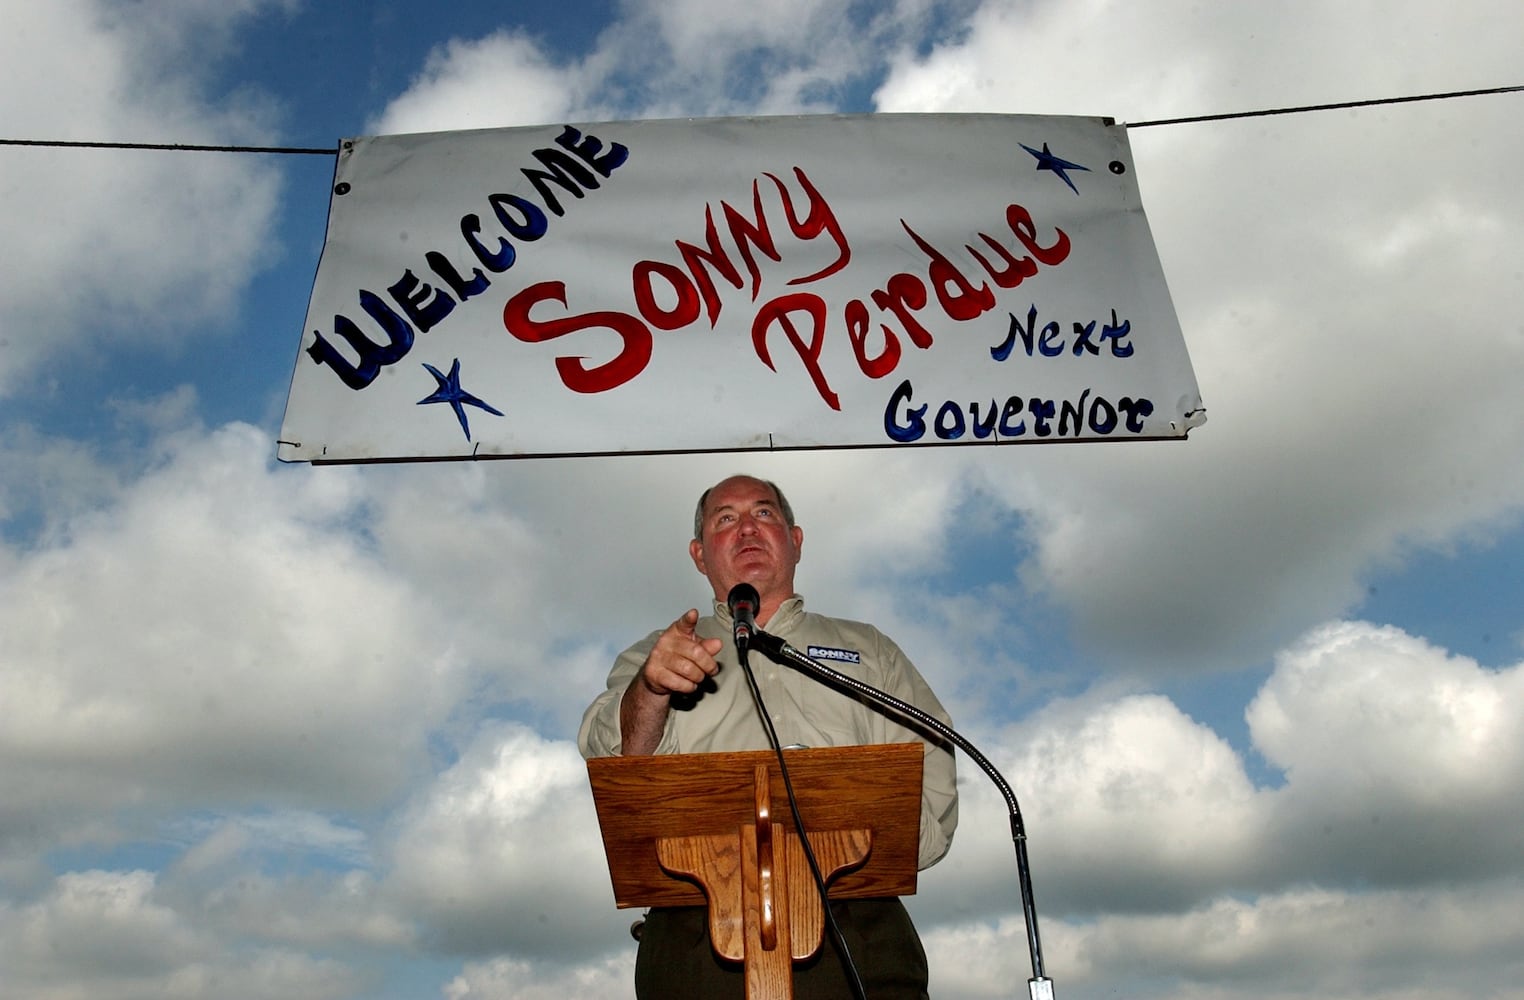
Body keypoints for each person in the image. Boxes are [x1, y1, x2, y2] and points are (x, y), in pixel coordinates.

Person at [578, 474, 958, 999]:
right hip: (698, 945)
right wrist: (650, 688)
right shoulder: (660, 654)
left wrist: (841, 820)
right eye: (725, 519)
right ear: (699, 554)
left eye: (764, 514)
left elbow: (932, 799)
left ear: (795, 540)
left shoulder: (871, 650)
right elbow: (617, 769)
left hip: (859, 939)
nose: (747, 530)